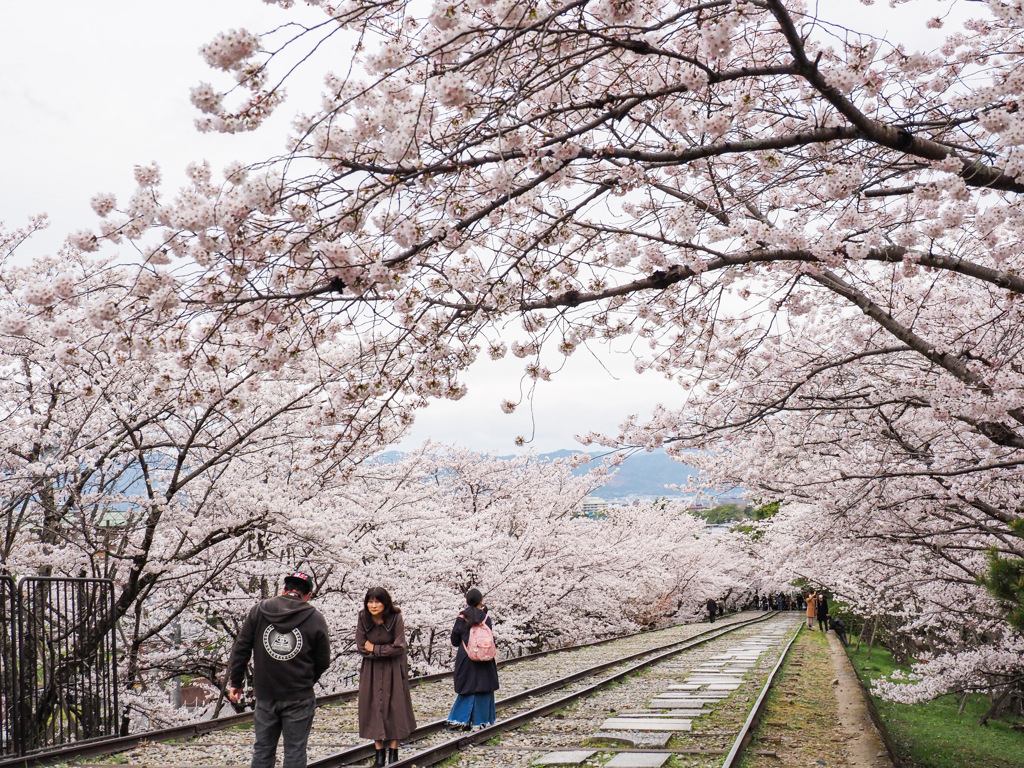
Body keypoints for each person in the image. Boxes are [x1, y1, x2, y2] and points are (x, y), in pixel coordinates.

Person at [227, 571, 331, 768]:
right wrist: (307, 680)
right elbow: (323, 660)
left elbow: (242, 647)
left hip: (266, 693)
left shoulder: (259, 610)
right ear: (308, 595)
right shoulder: (315, 618)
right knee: (295, 751)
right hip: (299, 695)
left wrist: (236, 682)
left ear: (283, 589)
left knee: (263, 750)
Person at [356, 587, 416, 766]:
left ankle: (393, 753)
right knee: (372, 706)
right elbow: (360, 646)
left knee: (395, 706)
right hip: (371, 670)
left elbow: (399, 647)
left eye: (377, 601)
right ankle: (379, 754)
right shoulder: (362, 617)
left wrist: (374, 648)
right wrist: (383, 650)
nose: (373, 606)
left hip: (393, 669)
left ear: (385, 602)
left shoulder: (396, 617)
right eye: (370, 601)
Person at [447, 588, 500, 730]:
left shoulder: (461, 618)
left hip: (466, 656)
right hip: (485, 658)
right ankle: (483, 720)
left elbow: (454, 640)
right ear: (481, 602)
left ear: (467, 601)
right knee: (484, 687)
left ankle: (461, 719)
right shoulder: (486, 618)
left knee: (467, 688)